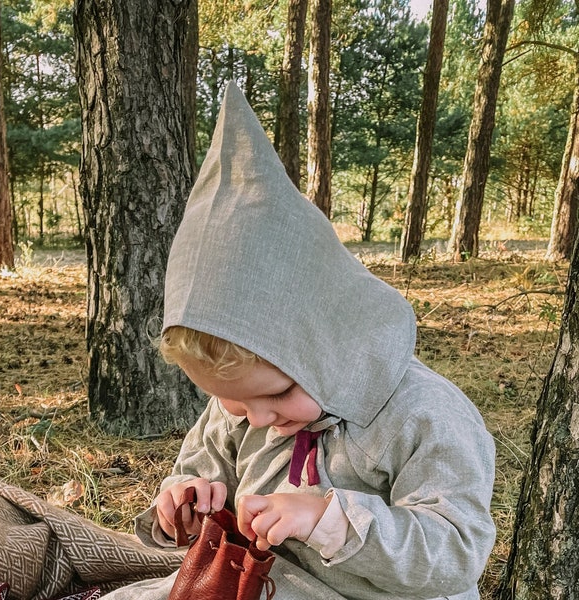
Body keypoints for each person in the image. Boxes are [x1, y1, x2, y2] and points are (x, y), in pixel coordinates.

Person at [130, 81, 496, 600]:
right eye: (233, 401)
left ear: (327, 343)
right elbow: (200, 467)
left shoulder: (424, 415)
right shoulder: (241, 407)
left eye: (277, 394)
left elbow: (455, 552)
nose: (256, 418)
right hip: (260, 583)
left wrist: (330, 519)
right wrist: (184, 505)